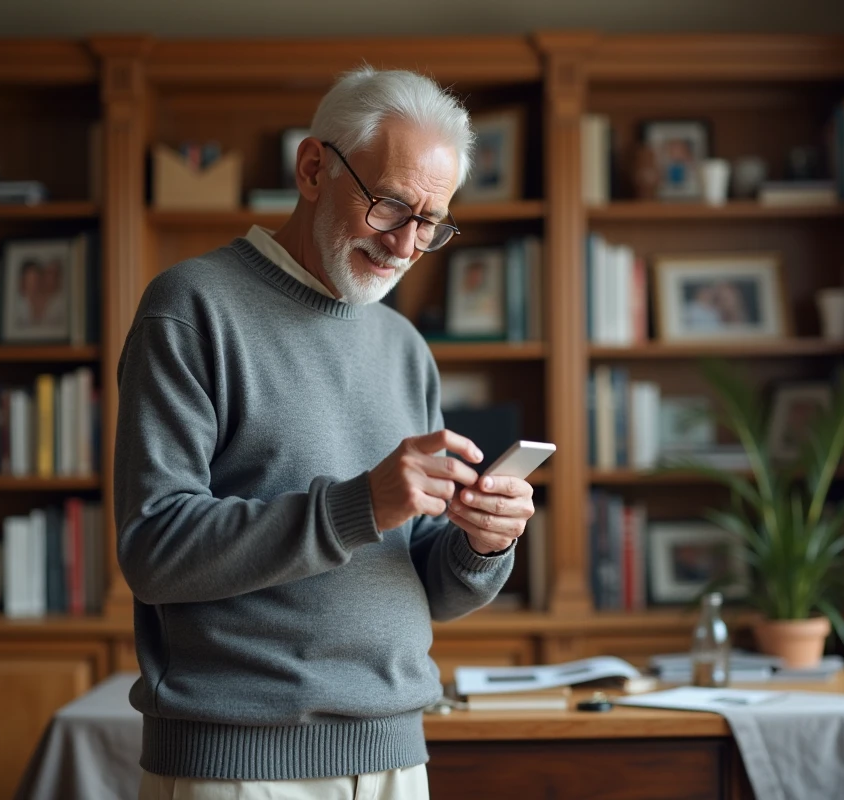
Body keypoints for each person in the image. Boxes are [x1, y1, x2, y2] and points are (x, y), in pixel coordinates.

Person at [115, 67, 534, 800]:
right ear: (313, 168)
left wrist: (481, 543)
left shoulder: (406, 345)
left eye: (430, 222)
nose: (407, 245)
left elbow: (422, 584)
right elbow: (154, 549)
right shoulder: (189, 308)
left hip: (398, 752)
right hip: (236, 763)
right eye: (390, 206)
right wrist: (361, 505)